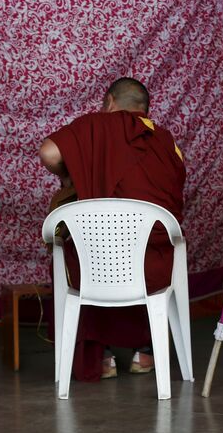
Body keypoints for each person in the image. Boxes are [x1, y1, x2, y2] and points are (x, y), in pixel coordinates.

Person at [39, 78, 186, 382]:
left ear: (108, 102)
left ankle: (102, 357)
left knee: (75, 248)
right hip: (155, 267)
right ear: (145, 110)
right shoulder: (167, 142)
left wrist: (73, 177)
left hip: (99, 266)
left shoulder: (96, 126)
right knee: (148, 253)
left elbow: (49, 154)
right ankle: (145, 352)